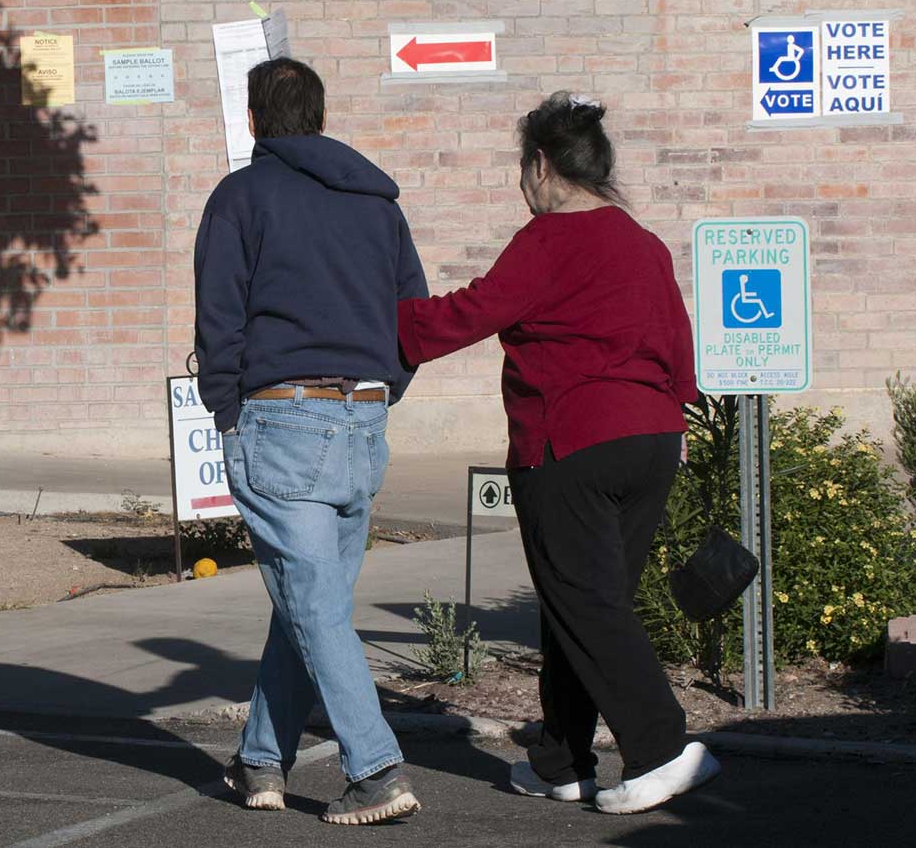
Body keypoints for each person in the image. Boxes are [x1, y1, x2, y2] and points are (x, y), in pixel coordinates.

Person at [396, 91, 720, 815]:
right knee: (582, 603)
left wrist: (389, 324)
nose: (522, 185)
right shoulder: (642, 241)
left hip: (572, 441)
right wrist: (676, 415)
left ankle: (663, 749)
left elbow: (473, 310)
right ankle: (561, 760)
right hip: (652, 438)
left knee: (586, 603)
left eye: (522, 170)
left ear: (541, 165)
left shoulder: (546, 240)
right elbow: (678, 341)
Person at [193, 56, 429, 825]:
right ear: (323, 120)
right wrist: (384, 387)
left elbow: (219, 317)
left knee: (315, 607)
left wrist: (225, 409)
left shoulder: (240, 197)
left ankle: (376, 767)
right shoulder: (378, 205)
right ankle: (261, 758)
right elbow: (413, 314)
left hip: (281, 418)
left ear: (253, 122)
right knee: (310, 600)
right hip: (362, 421)